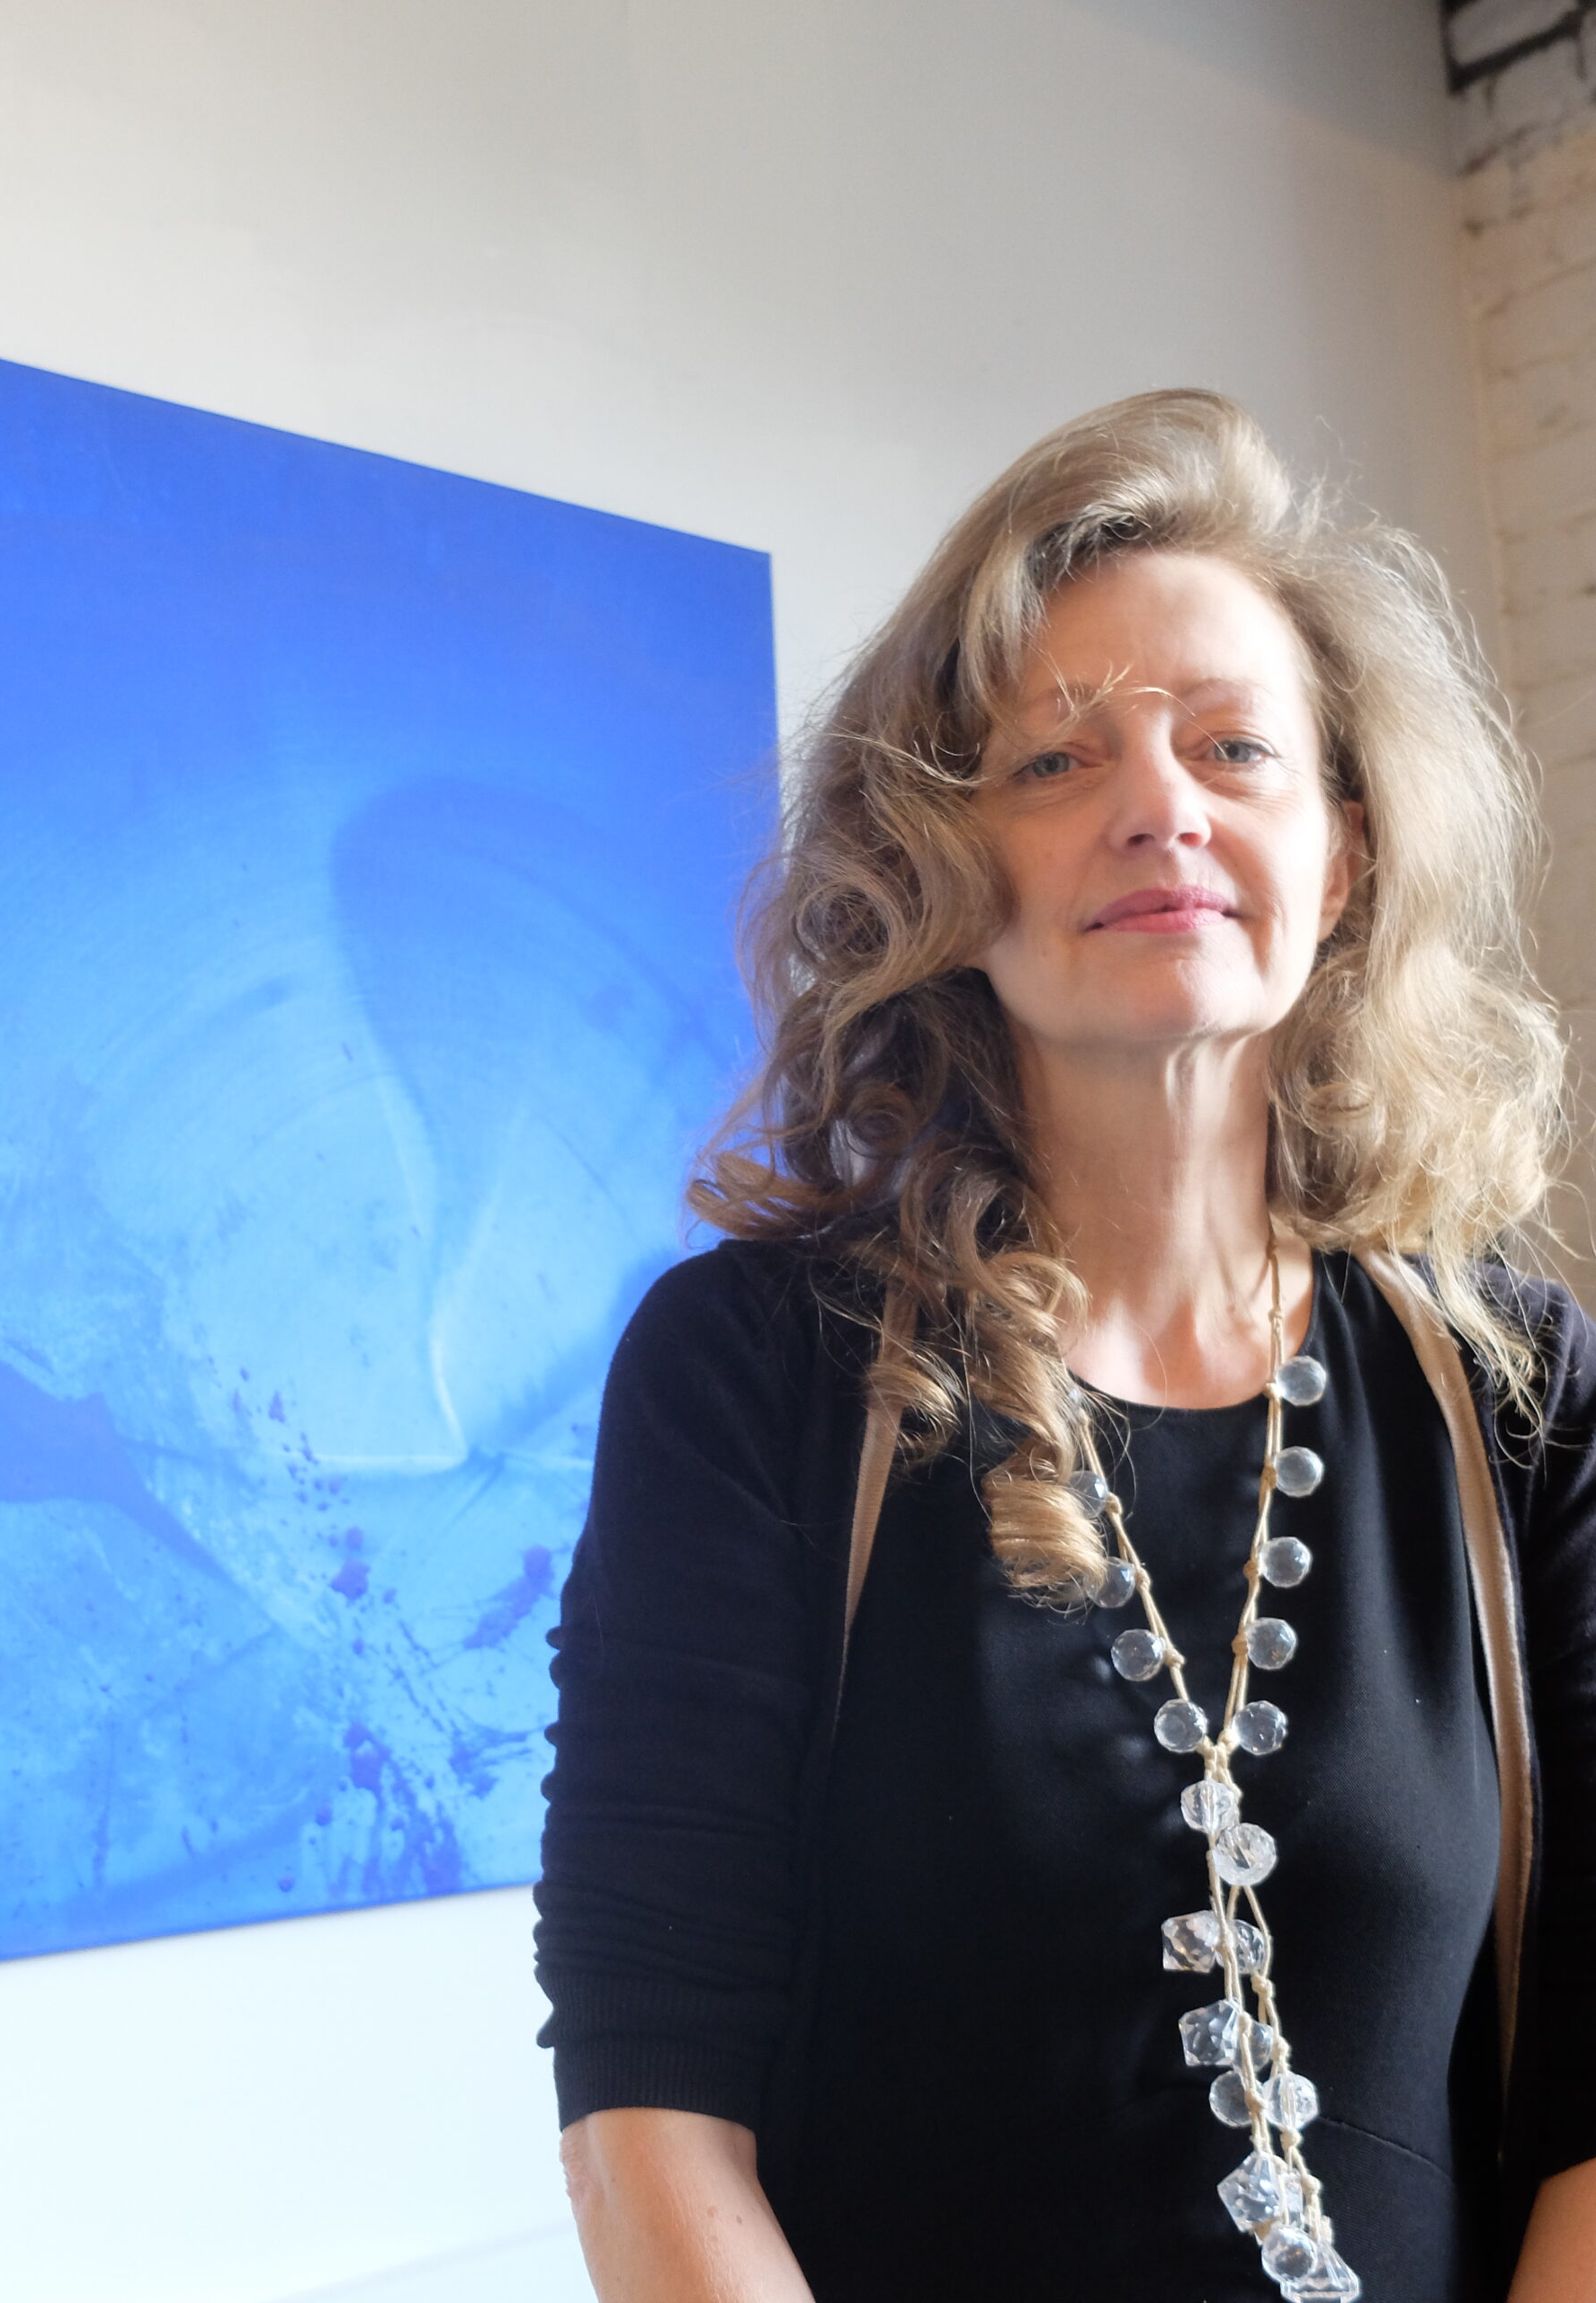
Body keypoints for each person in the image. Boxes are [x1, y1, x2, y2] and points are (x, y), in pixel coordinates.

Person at [531, 390, 1596, 2301]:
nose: (1160, 804)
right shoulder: (752, 1372)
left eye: (1234, 747)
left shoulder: (1522, 1393)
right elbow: (650, 2099)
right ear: (944, 870)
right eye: (1054, 756)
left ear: (1342, 858)